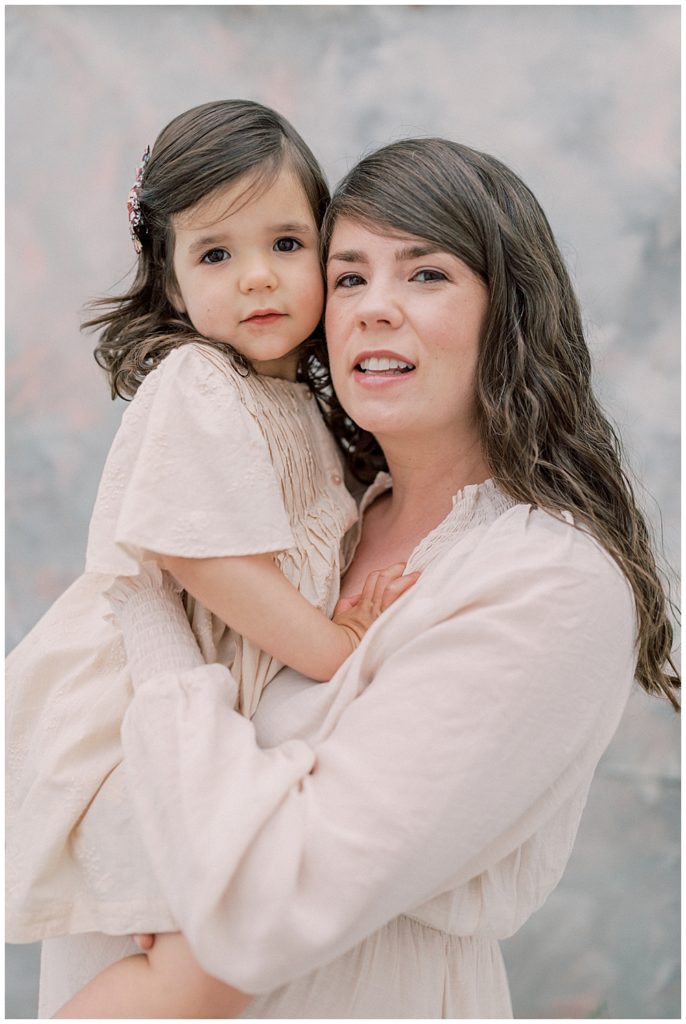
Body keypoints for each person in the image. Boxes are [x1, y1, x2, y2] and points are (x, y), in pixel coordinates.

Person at [38, 137, 678, 1019]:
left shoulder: (547, 582)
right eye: (348, 277)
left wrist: (155, 627)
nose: (374, 309)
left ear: (510, 311)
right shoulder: (318, 521)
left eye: (426, 275)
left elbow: (269, 909)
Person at [5, 101, 419, 1016]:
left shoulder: (303, 410)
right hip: (132, 718)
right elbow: (208, 567)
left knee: (216, 949)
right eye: (217, 255)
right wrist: (335, 650)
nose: (258, 280)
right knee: (176, 963)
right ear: (174, 283)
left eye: (285, 243)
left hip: (207, 717)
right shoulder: (199, 385)